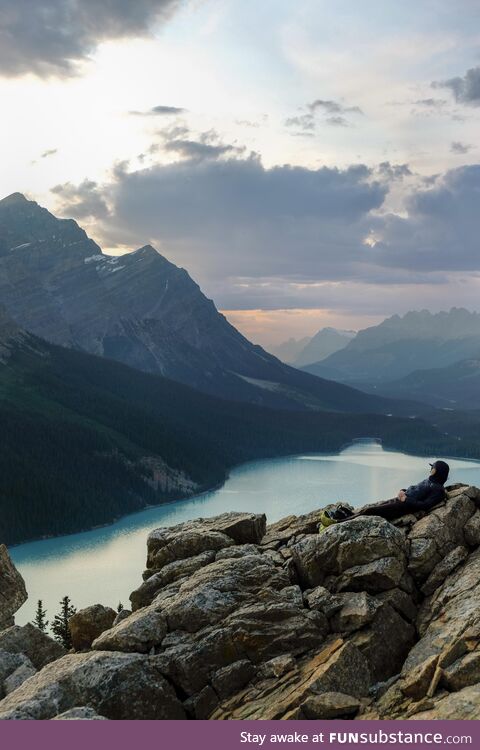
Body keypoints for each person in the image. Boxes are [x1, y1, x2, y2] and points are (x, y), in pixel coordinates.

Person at [322, 460, 450, 525]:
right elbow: (417, 489)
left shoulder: (438, 490)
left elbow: (426, 505)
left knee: (369, 512)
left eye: (432, 467)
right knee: (370, 509)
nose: (430, 469)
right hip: (400, 501)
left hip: (403, 506)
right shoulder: (431, 481)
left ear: (435, 471)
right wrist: (403, 491)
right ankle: (343, 516)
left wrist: (405, 499)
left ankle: (337, 523)